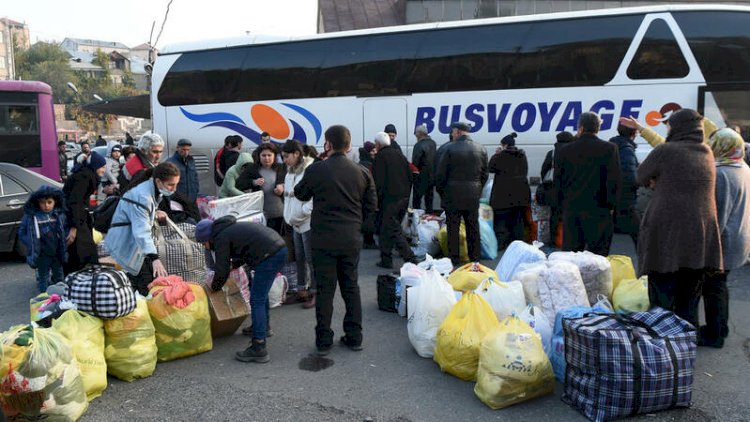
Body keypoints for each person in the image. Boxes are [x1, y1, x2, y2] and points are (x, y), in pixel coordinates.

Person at [294, 124, 377, 355]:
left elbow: (301, 194)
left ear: (327, 144)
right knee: (351, 287)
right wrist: (358, 227)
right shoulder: (362, 172)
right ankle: (354, 336)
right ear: (349, 145)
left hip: (322, 239)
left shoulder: (317, 169)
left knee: (325, 290)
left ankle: (323, 340)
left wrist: (319, 163)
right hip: (351, 238)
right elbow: (372, 207)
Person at [636, 108, 723, 327]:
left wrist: (657, 181)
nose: (667, 128)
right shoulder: (706, 152)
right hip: (700, 236)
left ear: (678, 127)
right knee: (689, 298)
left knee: (662, 292)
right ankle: (685, 345)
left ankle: (664, 346)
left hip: (667, 234)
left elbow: (640, 176)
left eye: (669, 124)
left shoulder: (667, 150)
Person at [194, 216, 287, 362]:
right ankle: (263, 327)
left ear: (208, 238)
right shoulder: (228, 229)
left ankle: (259, 347)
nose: (205, 246)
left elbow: (222, 270)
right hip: (278, 249)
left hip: (269, 255)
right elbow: (245, 249)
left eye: (203, 243)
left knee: (256, 299)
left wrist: (214, 288)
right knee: (260, 295)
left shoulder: (220, 238)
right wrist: (235, 264)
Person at [700, 128, 750, 348]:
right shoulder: (743, 167)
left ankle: (714, 334)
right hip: (739, 237)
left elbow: (717, 213)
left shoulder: (721, 174)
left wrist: (706, 245)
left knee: (713, 286)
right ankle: (721, 327)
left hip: (724, 241)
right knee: (720, 285)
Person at [105, 162, 179, 295]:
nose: (174, 189)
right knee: (146, 284)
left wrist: (154, 212)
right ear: (158, 181)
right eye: (171, 185)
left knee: (144, 281)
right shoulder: (143, 196)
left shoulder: (151, 189)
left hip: (133, 241)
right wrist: (155, 258)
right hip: (126, 242)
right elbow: (141, 232)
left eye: (176, 184)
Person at [554, 112, 621, 256]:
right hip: (599, 211)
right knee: (598, 259)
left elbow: (558, 182)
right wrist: (611, 206)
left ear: (581, 128)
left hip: (572, 210)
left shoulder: (564, 150)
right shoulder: (609, 148)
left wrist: (561, 208)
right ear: (598, 129)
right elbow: (613, 181)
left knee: (571, 257)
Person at [435, 122, 488, 265]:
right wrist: (478, 188)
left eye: (453, 132)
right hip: (473, 194)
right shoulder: (481, 149)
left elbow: (440, 175)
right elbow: (485, 174)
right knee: (473, 226)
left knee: (453, 227)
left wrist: (442, 192)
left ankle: (454, 258)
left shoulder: (449, 148)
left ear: (457, 132)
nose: (452, 134)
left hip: (452, 195)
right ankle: (475, 257)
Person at [372, 132, 418, 269]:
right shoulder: (399, 155)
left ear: (378, 144)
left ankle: (410, 258)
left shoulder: (380, 157)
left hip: (389, 199)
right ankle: (385, 259)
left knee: (392, 229)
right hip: (403, 197)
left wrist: (377, 201)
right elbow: (411, 174)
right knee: (385, 229)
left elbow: (378, 181)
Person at [281, 139, 316, 308]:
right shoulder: (290, 172)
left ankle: (316, 293)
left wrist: (301, 214)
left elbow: (314, 199)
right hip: (295, 222)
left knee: (311, 259)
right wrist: (290, 217)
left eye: (287, 156)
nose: (284, 160)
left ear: (296, 154)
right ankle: (302, 290)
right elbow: (289, 198)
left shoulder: (310, 169)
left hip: (308, 222)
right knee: (299, 258)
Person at [18, 186, 69, 292]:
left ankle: (61, 297)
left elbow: (65, 228)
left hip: (57, 252)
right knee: (43, 278)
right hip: (42, 254)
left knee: (59, 276)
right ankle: (44, 300)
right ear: (37, 203)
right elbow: (22, 232)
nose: (46, 206)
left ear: (55, 201)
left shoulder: (59, 215)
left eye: (49, 202)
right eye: (42, 203)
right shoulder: (32, 216)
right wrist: (30, 243)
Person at [63, 151, 106, 274]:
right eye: (102, 166)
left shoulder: (85, 175)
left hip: (79, 218)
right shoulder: (84, 177)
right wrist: (74, 227)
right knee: (80, 252)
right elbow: (75, 202)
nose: (104, 170)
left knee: (83, 251)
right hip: (77, 219)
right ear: (95, 165)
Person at [489, 132, 530, 249]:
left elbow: (490, 167)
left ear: (505, 145)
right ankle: (519, 245)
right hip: (520, 194)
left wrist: (496, 154)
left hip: (503, 195)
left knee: (501, 221)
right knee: (517, 220)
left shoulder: (501, 156)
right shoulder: (522, 155)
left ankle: (502, 244)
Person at [236, 143, 286, 234]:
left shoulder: (281, 168)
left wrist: (282, 189)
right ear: (259, 156)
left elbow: (292, 186)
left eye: (269, 155)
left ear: (274, 156)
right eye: (263, 155)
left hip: (281, 214)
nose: (266, 158)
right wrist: (253, 182)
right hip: (260, 215)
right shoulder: (252, 169)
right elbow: (239, 184)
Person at [539, 131, 574, 246]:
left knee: (554, 215)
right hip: (570, 189)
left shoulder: (552, 153)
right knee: (569, 215)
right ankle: (568, 239)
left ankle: (554, 240)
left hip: (554, 189)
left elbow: (544, 170)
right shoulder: (573, 152)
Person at [609, 124, 640, 247]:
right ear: (634, 134)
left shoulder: (613, 145)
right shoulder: (627, 150)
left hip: (612, 199)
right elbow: (630, 177)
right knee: (639, 238)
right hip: (626, 201)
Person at [411, 124, 437, 213]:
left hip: (420, 177)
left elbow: (415, 162)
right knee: (429, 201)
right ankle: (429, 219)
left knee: (417, 201)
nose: (415, 135)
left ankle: (417, 220)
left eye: (416, 133)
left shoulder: (418, 145)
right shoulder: (433, 143)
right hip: (431, 177)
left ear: (419, 134)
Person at [166, 138, 200, 203]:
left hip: (192, 199)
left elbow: (195, 177)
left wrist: (196, 191)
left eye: (188, 150)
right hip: (178, 200)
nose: (186, 152)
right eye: (183, 149)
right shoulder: (170, 163)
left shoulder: (191, 161)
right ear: (177, 148)